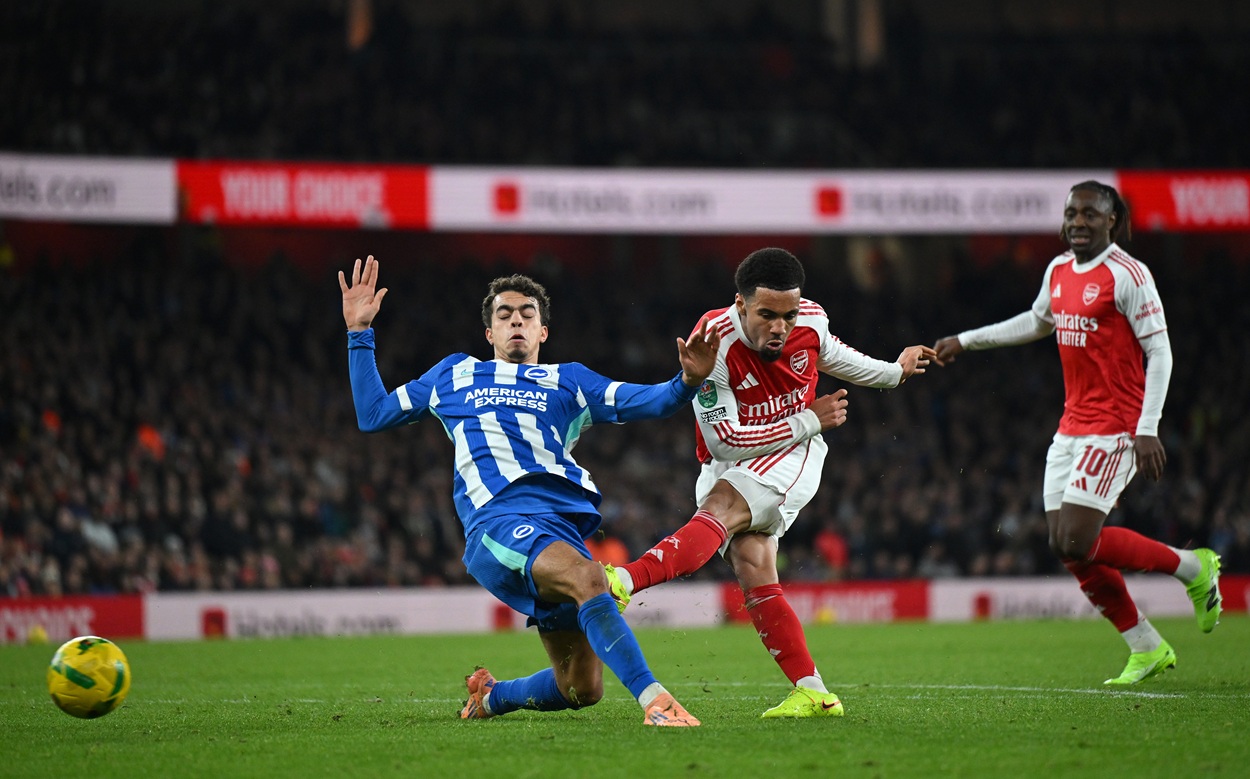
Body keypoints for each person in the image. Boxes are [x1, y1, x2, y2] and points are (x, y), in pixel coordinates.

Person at [340, 255, 720, 726]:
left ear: (542, 331)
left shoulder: (570, 381)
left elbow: (650, 401)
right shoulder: (453, 375)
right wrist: (360, 333)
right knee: (591, 578)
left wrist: (687, 381)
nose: (516, 321)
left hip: (559, 528)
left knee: (580, 688)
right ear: (489, 333)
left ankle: (492, 698)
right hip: (498, 520)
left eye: (526, 314)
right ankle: (656, 702)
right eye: (504, 315)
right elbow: (373, 414)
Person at [603, 247, 936, 718]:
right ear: (741, 305)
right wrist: (808, 418)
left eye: (788, 315)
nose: (780, 326)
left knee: (720, 508)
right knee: (752, 564)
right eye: (767, 315)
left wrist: (895, 372)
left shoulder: (811, 321)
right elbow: (723, 443)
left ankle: (621, 581)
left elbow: (841, 358)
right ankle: (814, 692)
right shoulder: (712, 342)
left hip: (793, 453)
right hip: (735, 454)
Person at [931, 180, 1223, 685]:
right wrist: (966, 340)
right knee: (1065, 545)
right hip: (1072, 425)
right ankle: (1146, 646)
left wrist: (1147, 427)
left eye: (1090, 214)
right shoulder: (1059, 269)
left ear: (1112, 220)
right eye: (1071, 214)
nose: (1078, 223)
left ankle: (1193, 568)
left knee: (1076, 538)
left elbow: (1160, 351)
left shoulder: (1128, 274)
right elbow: (1036, 321)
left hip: (1117, 426)